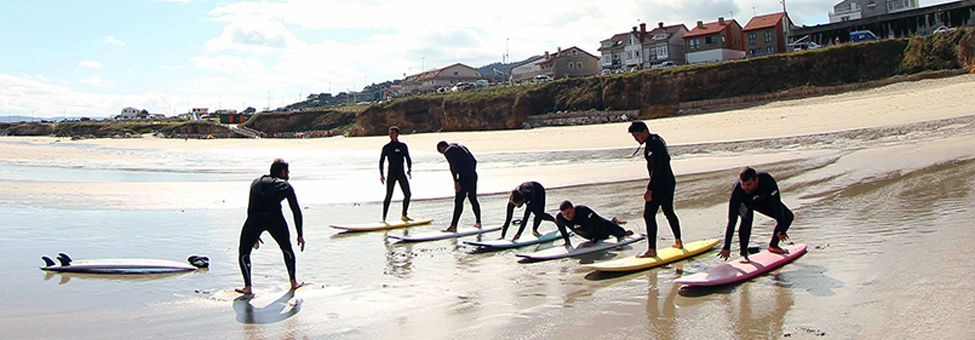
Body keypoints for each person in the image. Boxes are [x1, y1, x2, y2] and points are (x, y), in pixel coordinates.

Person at [236, 159, 305, 295]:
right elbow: (295, 210)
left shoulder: (256, 182)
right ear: (283, 172)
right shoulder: (285, 185)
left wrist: (254, 234)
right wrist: (300, 234)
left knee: (244, 252)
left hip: (254, 219)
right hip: (275, 219)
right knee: (286, 248)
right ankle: (293, 282)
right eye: (288, 172)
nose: (289, 175)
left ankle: (248, 287)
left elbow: (251, 208)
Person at [628, 121, 682, 258]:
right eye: (634, 137)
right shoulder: (657, 139)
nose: (636, 139)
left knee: (649, 215)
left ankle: (652, 250)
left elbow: (658, 169)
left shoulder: (653, 144)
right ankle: (678, 241)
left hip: (661, 183)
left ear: (645, 131)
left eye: (637, 136)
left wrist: (649, 189)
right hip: (669, 181)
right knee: (669, 211)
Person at [718, 167, 795, 263]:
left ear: (756, 180)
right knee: (747, 220)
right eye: (743, 184)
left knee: (788, 216)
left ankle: (773, 246)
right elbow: (732, 221)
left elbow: (776, 205)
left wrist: (782, 230)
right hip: (744, 202)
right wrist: (726, 246)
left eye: (749, 184)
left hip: (762, 199)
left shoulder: (767, 180)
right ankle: (743, 254)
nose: (746, 187)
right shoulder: (737, 191)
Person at [437, 141, 481, 232]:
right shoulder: (461, 146)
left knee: (459, 201)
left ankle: (453, 226)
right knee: (473, 198)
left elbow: (453, 167)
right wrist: (470, 172)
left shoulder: (448, 151)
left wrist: (456, 181)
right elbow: (474, 161)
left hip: (463, 178)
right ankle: (478, 222)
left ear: (442, 148)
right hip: (473, 175)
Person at [555, 200, 634, 248]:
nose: (566, 216)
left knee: (621, 234)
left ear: (573, 209)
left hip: (601, 226)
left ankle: (614, 223)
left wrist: (594, 241)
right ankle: (613, 221)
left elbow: (598, 222)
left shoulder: (583, 210)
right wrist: (567, 241)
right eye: (564, 214)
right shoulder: (560, 217)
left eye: (568, 213)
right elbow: (562, 228)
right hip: (588, 233)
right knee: (602, 238)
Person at [379, 126, 413, 223]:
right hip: (391, 174)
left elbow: (408, 158)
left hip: (401, 173)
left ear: (397, 134)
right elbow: (381, 161)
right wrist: (381, 174)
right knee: (389, 195)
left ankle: (404, 215)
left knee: (408, 194)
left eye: (393, 133)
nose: (391, 135)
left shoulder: (402, 146)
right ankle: (384, 218)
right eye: (390, 133)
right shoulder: (386, 147)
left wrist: (409, 169)